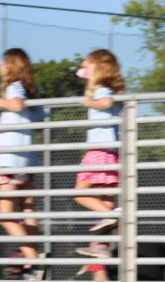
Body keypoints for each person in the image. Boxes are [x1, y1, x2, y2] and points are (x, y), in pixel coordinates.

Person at [0, 48, 41, 279]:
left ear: (10, 66)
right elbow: (38, 120)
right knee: (27, 210)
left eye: (2, 64)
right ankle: (32, 261)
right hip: (26, 158)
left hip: (8, 160)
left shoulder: (13, 88)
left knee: (6, 215)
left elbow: (16, 105)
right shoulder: (32, 93)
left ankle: (34, 260)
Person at [72, 49, 125, 263]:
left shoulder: (103, 91)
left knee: (80, 193)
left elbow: (105, 103)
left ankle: (115, 217)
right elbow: (81, 73)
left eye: (90, 65)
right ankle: (101, 247)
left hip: (99, 151)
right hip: (112, 154)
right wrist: (86, 68)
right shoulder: (108, 88)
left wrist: (88, 102)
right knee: (105, 204)